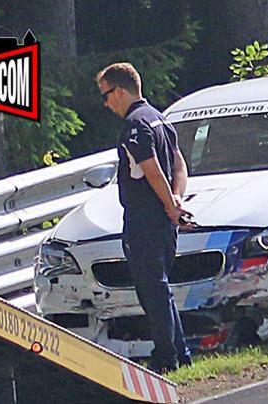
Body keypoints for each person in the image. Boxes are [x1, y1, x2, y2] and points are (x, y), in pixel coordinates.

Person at [96, 62, 192, 373]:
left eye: (107, 95)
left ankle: (166, 358)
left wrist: (169, 204)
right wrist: (175, 199)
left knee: (152, 288)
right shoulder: (160, 119)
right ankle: (180, 351)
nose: (106, 103)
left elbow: (150, 169)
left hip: (145, 218)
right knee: (160, 286)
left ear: (120, 91)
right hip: (163, 217)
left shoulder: (135, 126)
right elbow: (179, 165)